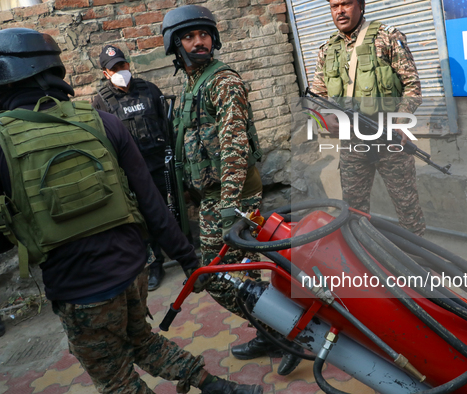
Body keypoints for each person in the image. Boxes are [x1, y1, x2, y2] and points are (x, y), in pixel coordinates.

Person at [0, 28, 261, 394]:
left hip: (80, 288)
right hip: (132, 270)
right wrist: (187, 259)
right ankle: (218, 385)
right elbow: (152, 204)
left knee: (117, 379)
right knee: (143, 340)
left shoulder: (4, 140)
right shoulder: (100, 120)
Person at [161, 5, 301, 375]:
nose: (199, 42)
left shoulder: (223, 82)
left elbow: (235, 147)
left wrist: (228, 212)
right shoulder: (192, 85)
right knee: (240, 276)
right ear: (175, 45)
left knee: (219, 277)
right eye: (189, 37)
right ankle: (273, 332)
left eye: (204, 34)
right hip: (212, 198)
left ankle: (285, 333)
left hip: (233, 198)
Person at [310, 0, 426, 236]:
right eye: (334, 6)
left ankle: (418, 263)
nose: (340, 11)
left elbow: (412, 86)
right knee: (353, 211)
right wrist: (324, 117)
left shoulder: (387, 38)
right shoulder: (327, 50)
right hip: (353, 143)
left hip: (389, 137)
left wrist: (401, 122)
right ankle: (362, 259)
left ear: (360, 5)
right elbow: (317, 96)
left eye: (346, 4)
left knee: (408, 209)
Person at [92, 45, 169, 291]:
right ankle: (155, 265)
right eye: (113, 68)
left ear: (128, 64)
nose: (120, 70)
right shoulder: (101, 101)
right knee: (143, 221)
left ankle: (182, 252)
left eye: (122, 65)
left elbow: (167, 125)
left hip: (158, 167)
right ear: (106, 73)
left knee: (165, 212)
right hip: (129, 174)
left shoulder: (150, 90)